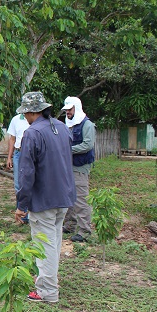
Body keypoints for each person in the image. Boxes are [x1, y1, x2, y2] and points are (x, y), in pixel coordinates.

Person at [15, 92, 76, 303]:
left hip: (44, 199)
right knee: (55, 242)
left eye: (26, 113)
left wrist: (21, 204)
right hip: (63, 196)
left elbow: (26, 172)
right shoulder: (61, 127)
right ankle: (47, 282)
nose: (25, 117)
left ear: (32, 112)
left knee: (45, 246)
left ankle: (47, 291)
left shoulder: (32, 133)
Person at [61, 96, 96, 242]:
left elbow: (88, 145)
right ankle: (69, 225)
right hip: (69, 165)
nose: (68, 112)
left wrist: (68, 149)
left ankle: (84, 231)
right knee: (69, 197)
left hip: (80, 166)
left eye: (70, 109)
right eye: (66, 110)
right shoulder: (69, 124)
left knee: (81, 198)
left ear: (77, 108)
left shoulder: (87, 125)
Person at [6, 113, 30, 223]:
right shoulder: (16, 119)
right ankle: (22, 214)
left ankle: (31, 214)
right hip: (19, 152)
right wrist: (9, 157)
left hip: (32, 152)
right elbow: (12, 139)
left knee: (32, 182)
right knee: (18, 184)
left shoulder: (39, 119)